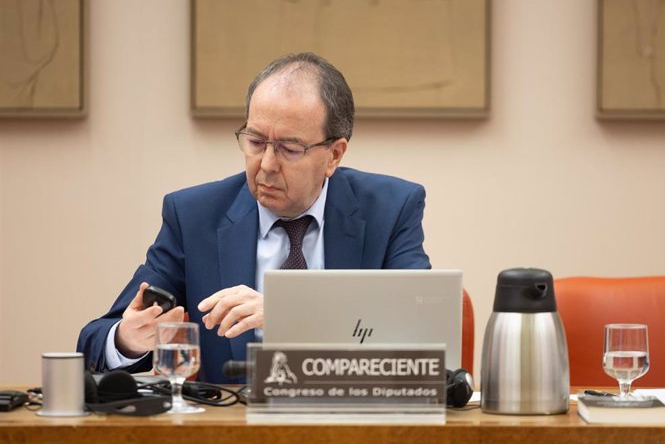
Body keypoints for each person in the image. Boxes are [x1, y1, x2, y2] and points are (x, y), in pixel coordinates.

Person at [77, 52, 431, 383]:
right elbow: (93, 342)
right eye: (256, 141)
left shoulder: (391, 208)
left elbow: (419, 325)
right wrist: (128, 339)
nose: (266, 165)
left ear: (334, 155)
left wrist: (292, 312)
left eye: (290, 149)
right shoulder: (194, 216)